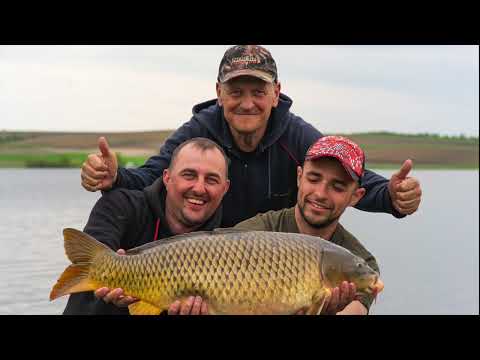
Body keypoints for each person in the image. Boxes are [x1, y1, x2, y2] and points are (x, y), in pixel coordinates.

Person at [80, 44, 422, 229]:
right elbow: (153, 175)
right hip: (209, 253)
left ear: (276, 93)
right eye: (236, 91)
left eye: (258, 91)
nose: (247, 103)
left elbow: (347, 181)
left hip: (272, 260)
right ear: (218, 92)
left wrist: (393, 197)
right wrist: (114, 177)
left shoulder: (297, 135)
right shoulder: (198, 131)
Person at [63, 137, 231, 315]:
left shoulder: (228, 237)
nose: (199, 188)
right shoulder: (121, 206)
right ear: (167, 178)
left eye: (211, 180)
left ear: (225, 188)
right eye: (189, 175)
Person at [234, 135, 380, 315]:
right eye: (313, 179)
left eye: (338, 187)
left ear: (356, 196)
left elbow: (355, 310)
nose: (320, 193)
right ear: (299, 177)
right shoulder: (256, 231)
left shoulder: (359, 262)